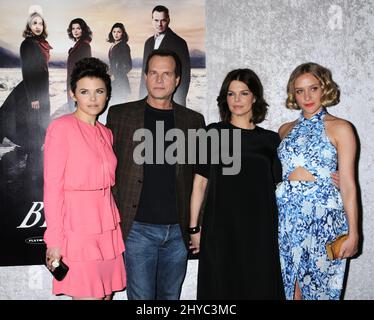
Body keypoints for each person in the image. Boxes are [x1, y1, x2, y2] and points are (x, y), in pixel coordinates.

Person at [106, 49, 205, 300]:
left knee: (170, 298)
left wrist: (196, 227)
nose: (159, 80)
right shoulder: (120, 116)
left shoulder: (193, 121)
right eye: (153, 73)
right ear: (145, 77)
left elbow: (200, 179)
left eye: (167, 74)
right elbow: (107, 172)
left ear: (177, 80)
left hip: (178, 232)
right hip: (137, 230)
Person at [189, 69, 285, 300]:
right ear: (225, 98)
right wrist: (193, 229)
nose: (237, 100)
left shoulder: (271, 140)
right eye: (231, 94)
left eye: (244, 93)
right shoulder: (211, 133)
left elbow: (283, 187)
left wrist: (330, 179)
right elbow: (200, 184)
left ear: (255, 97)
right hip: (220, 229)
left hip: (260, 231)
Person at [43, 57, 126, 300]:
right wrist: (54, 240)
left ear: (107, 95)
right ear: (73, 94)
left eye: (99, 91)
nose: (92, 98)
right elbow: (53, 188)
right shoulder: (61, 128)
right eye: (85, 92)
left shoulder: (106, 133)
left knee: (106, 296)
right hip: (77, 228)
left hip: (107, 226)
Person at [276, 62, 359, 300]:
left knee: (319, 290)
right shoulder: (284, 130)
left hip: (323, 216)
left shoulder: (341, 128)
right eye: (300, 91)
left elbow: (349, 185)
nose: (307, 96)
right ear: (293, 94)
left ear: (325, 88)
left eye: (313, 88)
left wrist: (354, 234)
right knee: (289, 289)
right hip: (286, 217)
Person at [0, 11, 52, 179]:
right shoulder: (28, 44)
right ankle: (32, 168)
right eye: (34, 23)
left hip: (41, 90)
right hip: (32, 91)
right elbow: (28, 71)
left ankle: (34, 161)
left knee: (36, 123)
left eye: (40, 23)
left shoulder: (41, 44)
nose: (38, 26)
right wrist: (34, 97)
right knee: (20, 120)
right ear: (29, 26)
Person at [139, 5, 190, 106]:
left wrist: (178, 103)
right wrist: (141, 97)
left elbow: (184, 76)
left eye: (163, 20)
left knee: (166, 122)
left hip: (171, 100)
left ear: (168, 20)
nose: (160, 24)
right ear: (152, 21)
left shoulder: (179, 43)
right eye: (156, 20)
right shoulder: (148, 42)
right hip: (148, 100)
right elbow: (144, 74)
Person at [66, 18, 92, 110]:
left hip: (77, 86)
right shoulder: (78, 44)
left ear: (83, 30)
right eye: (73, 29)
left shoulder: (84, 45)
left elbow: (85, 69)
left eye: (78, 28)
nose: (75, 31)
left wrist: (75, 89)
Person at [107, 22, 132, 105]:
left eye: (119, 32)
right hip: (113, 79)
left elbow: (128, 66)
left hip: (120, 81)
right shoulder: (113, 45)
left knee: (120, 105)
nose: (116, 34)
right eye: (114, 32)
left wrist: (116, 75)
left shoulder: (124, 46)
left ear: (123, 33)